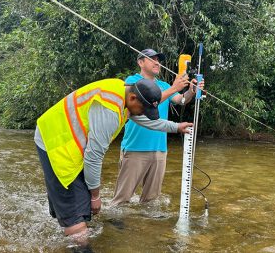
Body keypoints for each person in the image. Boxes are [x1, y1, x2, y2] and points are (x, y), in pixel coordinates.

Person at [34, 78, 192, 243]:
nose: (144, 113)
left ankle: (65, 215)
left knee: (81, 203)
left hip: (69, 141)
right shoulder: (109, 108)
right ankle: (75, 231)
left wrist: (175, 127)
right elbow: (94, 156)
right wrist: (95, 196)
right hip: (56, 144)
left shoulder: (124, 92)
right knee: (78, 225)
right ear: (133, 99)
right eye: (144, 109)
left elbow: (144, 119)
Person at [111, 49, 204, 205]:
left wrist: (190, 91)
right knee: (121, 200)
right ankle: (116, 226)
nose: (157, 62)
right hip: (135, 148)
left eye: (158, 60)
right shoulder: (132, 82)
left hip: (160, 149)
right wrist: (173, 88)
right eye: (152, 59)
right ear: (140, 62)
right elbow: (140, 103)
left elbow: (181, 100)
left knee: (151, 201)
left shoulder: (163, 85)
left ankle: (148, 227)